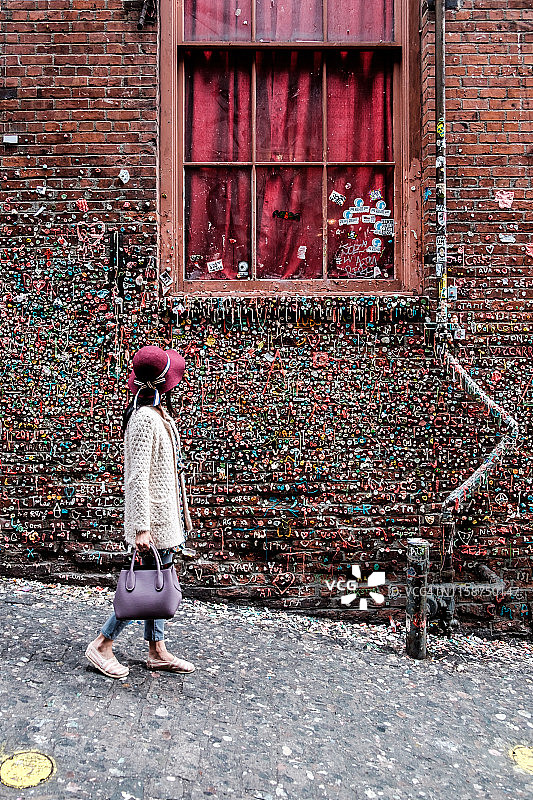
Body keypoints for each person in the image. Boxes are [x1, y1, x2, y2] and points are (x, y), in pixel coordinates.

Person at [85, 345, 195, 678]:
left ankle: (157, 650)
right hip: (152, 522)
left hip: (165, 519)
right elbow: (136, 477)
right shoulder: (144, 419)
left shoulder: (157, 414)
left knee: (159, 582)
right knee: (143, 587)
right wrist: (140, 528)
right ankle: (102, 643)